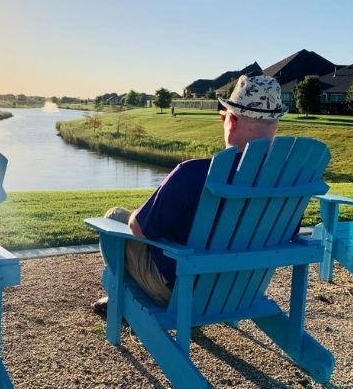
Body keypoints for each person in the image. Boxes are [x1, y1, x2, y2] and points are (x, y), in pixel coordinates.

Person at [92, 75, 287, 313]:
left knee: (115, 216)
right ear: (276, 125)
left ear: (231, 121)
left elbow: (140, 229)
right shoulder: (286, 181)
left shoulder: (193, 173)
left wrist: (137, 216)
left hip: (182, 291)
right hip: (241, 290)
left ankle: (120, 299)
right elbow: (288, 234)